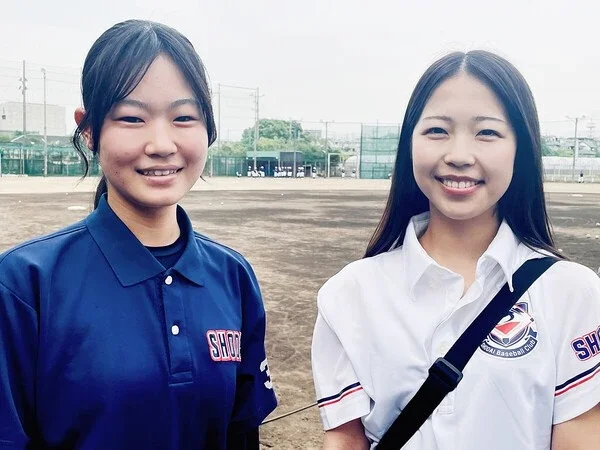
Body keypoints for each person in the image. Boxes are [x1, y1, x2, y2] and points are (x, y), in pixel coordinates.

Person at [0, 20, 276, 450]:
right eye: (132, 118)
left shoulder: (232, 275)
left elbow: (241, 434)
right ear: (89, 129)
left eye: (184, 117)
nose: (161, 144)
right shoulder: (25, 283)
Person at [311, 50, 600, 449]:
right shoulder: (349, 295)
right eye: (437, 130)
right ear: (409, 144)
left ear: (521, 148)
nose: (459, 156)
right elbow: (345, 441)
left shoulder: (574, 293)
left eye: (487, 133)